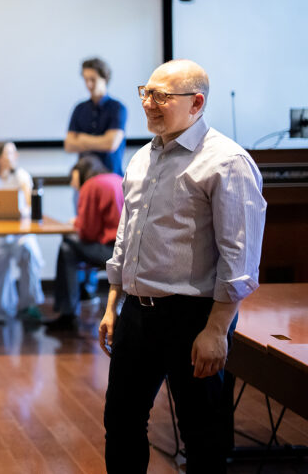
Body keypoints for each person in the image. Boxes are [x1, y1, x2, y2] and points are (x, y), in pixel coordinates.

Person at [99, 59, 266, 472]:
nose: (149, 103)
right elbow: (126, 236)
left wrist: (216, 330)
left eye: (161, 96)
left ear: (196, 103)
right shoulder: (142, 157)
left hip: (194, 316)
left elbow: (240, 257)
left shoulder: (227, 162)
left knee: (202, 435)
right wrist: (112, 303)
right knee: (120, 423)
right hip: (136, 313)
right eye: (146, 92)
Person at [44, 154, 122, 332]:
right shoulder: (116, 178)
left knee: (67, 245)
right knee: (68, 247)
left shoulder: (91, 185)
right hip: (126, 250)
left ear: (79, 173)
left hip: (110, 251)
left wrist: (76, 223)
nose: (73, 185)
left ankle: (67, 313)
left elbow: (88, 232)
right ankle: (74, 303)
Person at [0, 141, 44, 322]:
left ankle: (29, 305)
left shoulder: (22, 176)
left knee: (30, 251)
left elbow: (30, 205)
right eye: (10, 153)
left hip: (19, 233)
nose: (15, 156)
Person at [65, 57, 127, 176]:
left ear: (104, 78)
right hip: (84, 178)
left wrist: (82, 139)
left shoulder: (118, 108)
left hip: (110, 176)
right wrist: (101, 141)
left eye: (93, 80)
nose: (89, 84)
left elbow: (111, 144)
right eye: (86, 80)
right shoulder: (79, 108)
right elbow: (69, 144)